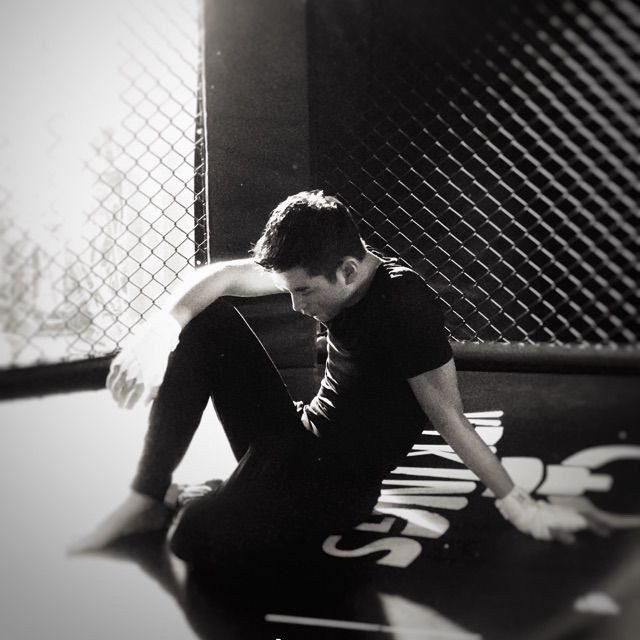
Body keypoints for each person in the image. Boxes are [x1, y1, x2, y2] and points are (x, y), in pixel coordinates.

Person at [70, 191, 603, 565]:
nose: (295, 305)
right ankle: (147, 498)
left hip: (332, 491)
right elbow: (226, 276)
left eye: (303, 291)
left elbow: (451, 419)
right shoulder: (324, 265)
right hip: (297, 438)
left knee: (192, 538)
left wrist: (522, 509)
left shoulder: (405, 309)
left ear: (348, 271)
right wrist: (159, 332)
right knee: (205, 318)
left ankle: (200, 499)